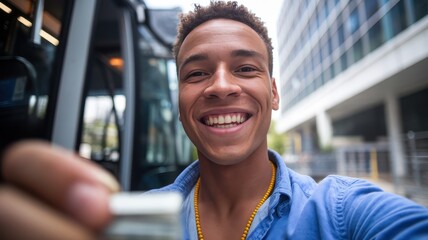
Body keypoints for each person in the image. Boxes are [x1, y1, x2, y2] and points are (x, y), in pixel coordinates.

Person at [0, 1, 427, 239]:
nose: (220, 86)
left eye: (245, 69)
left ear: (273, 93)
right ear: (181, 99)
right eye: (197, 73)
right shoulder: (132, 224)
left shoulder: (344, 214)